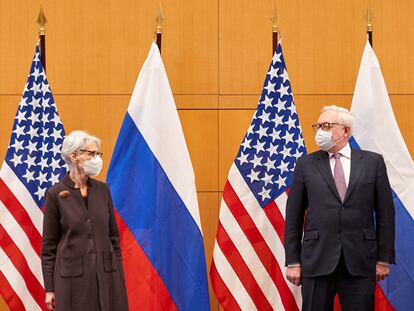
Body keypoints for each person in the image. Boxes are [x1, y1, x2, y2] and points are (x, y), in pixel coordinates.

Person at [284, 105, 395, 311]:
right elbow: (293, 216)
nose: (320, 132)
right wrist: (293, 261)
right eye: (318, 126)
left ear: (346, 130)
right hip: (317, 260)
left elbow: (386, 214)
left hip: (360, 261)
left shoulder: (372, 162)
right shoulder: (306, 164)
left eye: (326, 126)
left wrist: (383, 259)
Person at [41, 130, 128, 311]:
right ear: (74, 156)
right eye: (91, 153)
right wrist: (50, 289)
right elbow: (48, 248)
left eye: (98, 154)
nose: (96, 158)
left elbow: (114, 237)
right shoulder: (55, 194)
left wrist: (118, 274)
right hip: (72, 282)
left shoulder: (103, 190)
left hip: (107, 278)